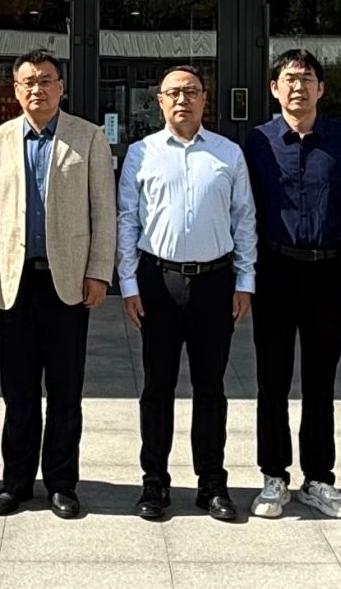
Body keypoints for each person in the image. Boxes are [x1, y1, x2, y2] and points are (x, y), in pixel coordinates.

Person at [0, 49, 116, 520]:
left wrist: (98, 271)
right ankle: (15, 482)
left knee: (65, 392)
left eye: (46, 80)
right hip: (14, 282)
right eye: (28, 82)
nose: (37, 89)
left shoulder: (88, 137)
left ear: (61, 87)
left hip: (67, 281)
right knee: (17, 392)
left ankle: (61, 483)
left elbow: (104, 212)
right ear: (16, 90)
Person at [119, 66, 257, 522]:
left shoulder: (227, 153)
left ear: (204, 98)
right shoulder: (141, 153)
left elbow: (244, 219)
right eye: (174, 93)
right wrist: (128, 284)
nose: (183, 100)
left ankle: (211, 482)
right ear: (159, 100)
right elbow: (127, 220)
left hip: (214, 283)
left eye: (191, 92)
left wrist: (245, 281)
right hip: (158, 282)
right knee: (157, 386)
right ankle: (154, 482)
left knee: (210, 387)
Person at [242, 49, 341, 521]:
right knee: (272, 379)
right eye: (289, 78)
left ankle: (318, 478)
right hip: (274, 270)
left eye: (307, 78)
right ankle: (274, 475)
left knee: (320, 380)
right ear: (274, 88)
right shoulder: (257, 142)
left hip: (328, 272)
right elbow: (244, 211)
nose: (298, 87)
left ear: (321, 88)